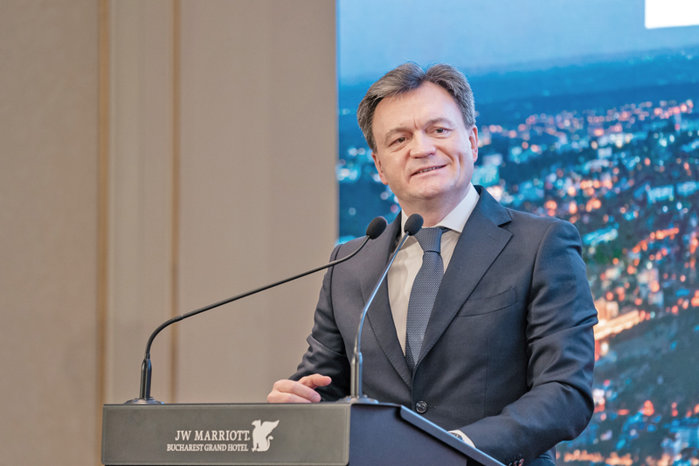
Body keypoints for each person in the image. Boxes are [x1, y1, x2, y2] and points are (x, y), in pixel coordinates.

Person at [267, 63, 597, 466]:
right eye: (399, 139)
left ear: (472, 141)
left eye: (438, 130)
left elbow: (565, 392)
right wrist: (299, 407)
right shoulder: (349, 264)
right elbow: (323, 388)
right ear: (379, 165)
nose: (421, 149)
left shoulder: (541, 245)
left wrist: (454, 448)